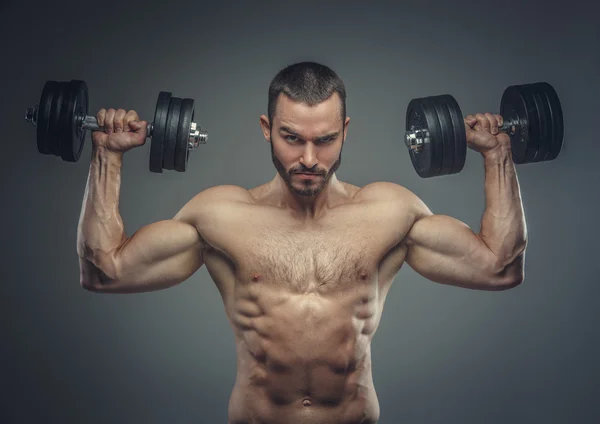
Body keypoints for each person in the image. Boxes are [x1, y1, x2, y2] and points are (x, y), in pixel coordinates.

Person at [77, 61, 527, 424]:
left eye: (325, 140)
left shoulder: (388, 212)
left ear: (345, 132)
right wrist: (107, 156)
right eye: (291, 138)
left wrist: (497, 154)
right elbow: (105, 272)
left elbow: (499, 267)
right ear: (266, 128)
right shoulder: (222, 216)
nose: (308, 159)